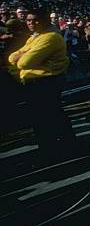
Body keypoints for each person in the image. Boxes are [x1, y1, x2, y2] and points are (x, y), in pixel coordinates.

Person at [7, 8, 75, 158]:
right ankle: (56, 148)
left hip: (45, 82)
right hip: (36, 82)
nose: (30, 22)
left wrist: (23, 55)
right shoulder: (35, 37)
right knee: (46, 117)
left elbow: (24, 62)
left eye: (35, 20)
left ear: (44, 20)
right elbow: (11, 58)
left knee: (48, 118)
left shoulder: (50, 37)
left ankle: (56, 150)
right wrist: (23, 55)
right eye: (28, 20)